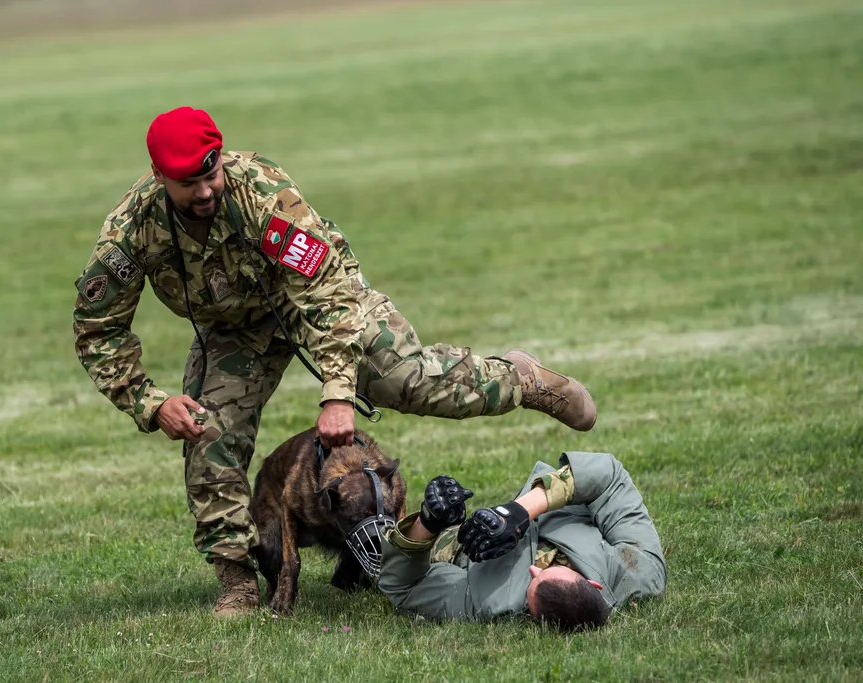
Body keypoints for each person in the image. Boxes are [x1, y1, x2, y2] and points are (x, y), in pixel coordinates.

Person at [72, 106, 598, 617]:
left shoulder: (261, 191)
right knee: (208, 434)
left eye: (210, 171)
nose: (206, 189)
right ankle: (237, 581)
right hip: (234, 331)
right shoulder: (131, 229)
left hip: (315, 301)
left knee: (407, 380)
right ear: (162, 177)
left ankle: (521, 381)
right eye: (189, 181)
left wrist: (338, 395)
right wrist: (151, 402)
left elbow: (326, 295)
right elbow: (97, 330)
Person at [378, 452, 665, 629]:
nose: (534, 568)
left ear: (534, 617)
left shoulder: (488, 603)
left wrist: (428, 523)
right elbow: (610, 475)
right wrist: (517, 512)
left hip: (454, 545)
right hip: (537, 505)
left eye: (533, 583)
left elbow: (404, 586)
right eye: (553, 570)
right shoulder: (638, 573)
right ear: (594, 584)